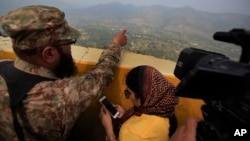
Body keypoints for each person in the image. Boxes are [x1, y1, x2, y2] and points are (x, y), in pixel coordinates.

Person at [0, 5, 127, 141]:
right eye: (68, 41)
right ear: (49, 54)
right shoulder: (63, 97)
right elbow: (101, 75)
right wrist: (116, 45)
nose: (70, 47)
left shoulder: (2, 65)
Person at [99, 65, 179, 141]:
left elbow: (138, 131)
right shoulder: (166, 110)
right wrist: (125, 115)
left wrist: (109, 130)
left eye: (128, 93)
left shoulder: (132, 132)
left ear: (142, 97)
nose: (128, 97)